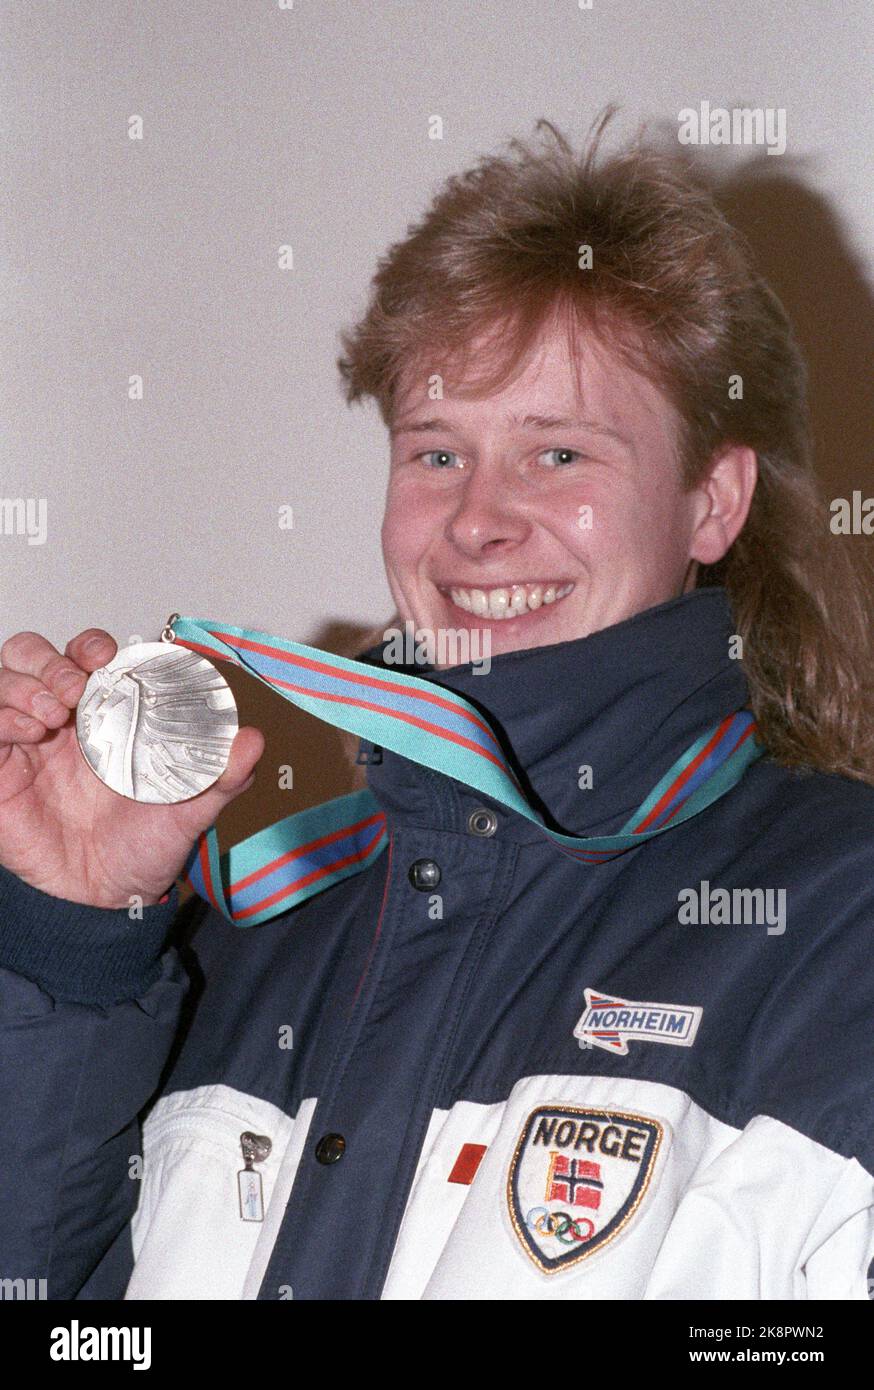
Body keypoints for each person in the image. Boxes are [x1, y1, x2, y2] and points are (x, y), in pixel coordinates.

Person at [1, 113, 873, 1301]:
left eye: (558, 453)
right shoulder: (257, 918)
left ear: (712, 502)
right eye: (436, 454)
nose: (476, 521)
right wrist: (73, 937)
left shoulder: (836, 922)